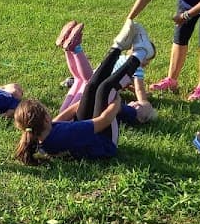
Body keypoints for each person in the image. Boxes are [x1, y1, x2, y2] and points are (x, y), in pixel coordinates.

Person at [14, 21, 149, 164]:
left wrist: (87, 98)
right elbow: (104, 121)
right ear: (45, 119)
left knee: (91, 87)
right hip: (107, 144)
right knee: (106, 89)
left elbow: (62, 117)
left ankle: (119, 45)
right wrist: (115, 103)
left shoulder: (42, 135)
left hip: (90, 140)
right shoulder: (66, 133)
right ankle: (141, 53)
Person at [56, 20, 157, 125]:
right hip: (98, 86)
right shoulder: (137, 68)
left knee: (79, 80)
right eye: (147, 61)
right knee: (86, 81)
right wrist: (143, 102)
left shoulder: (121, 58)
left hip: (98, 74)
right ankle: (75, 48)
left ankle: (69, 48)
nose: (146, 65)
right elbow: (139, 89)